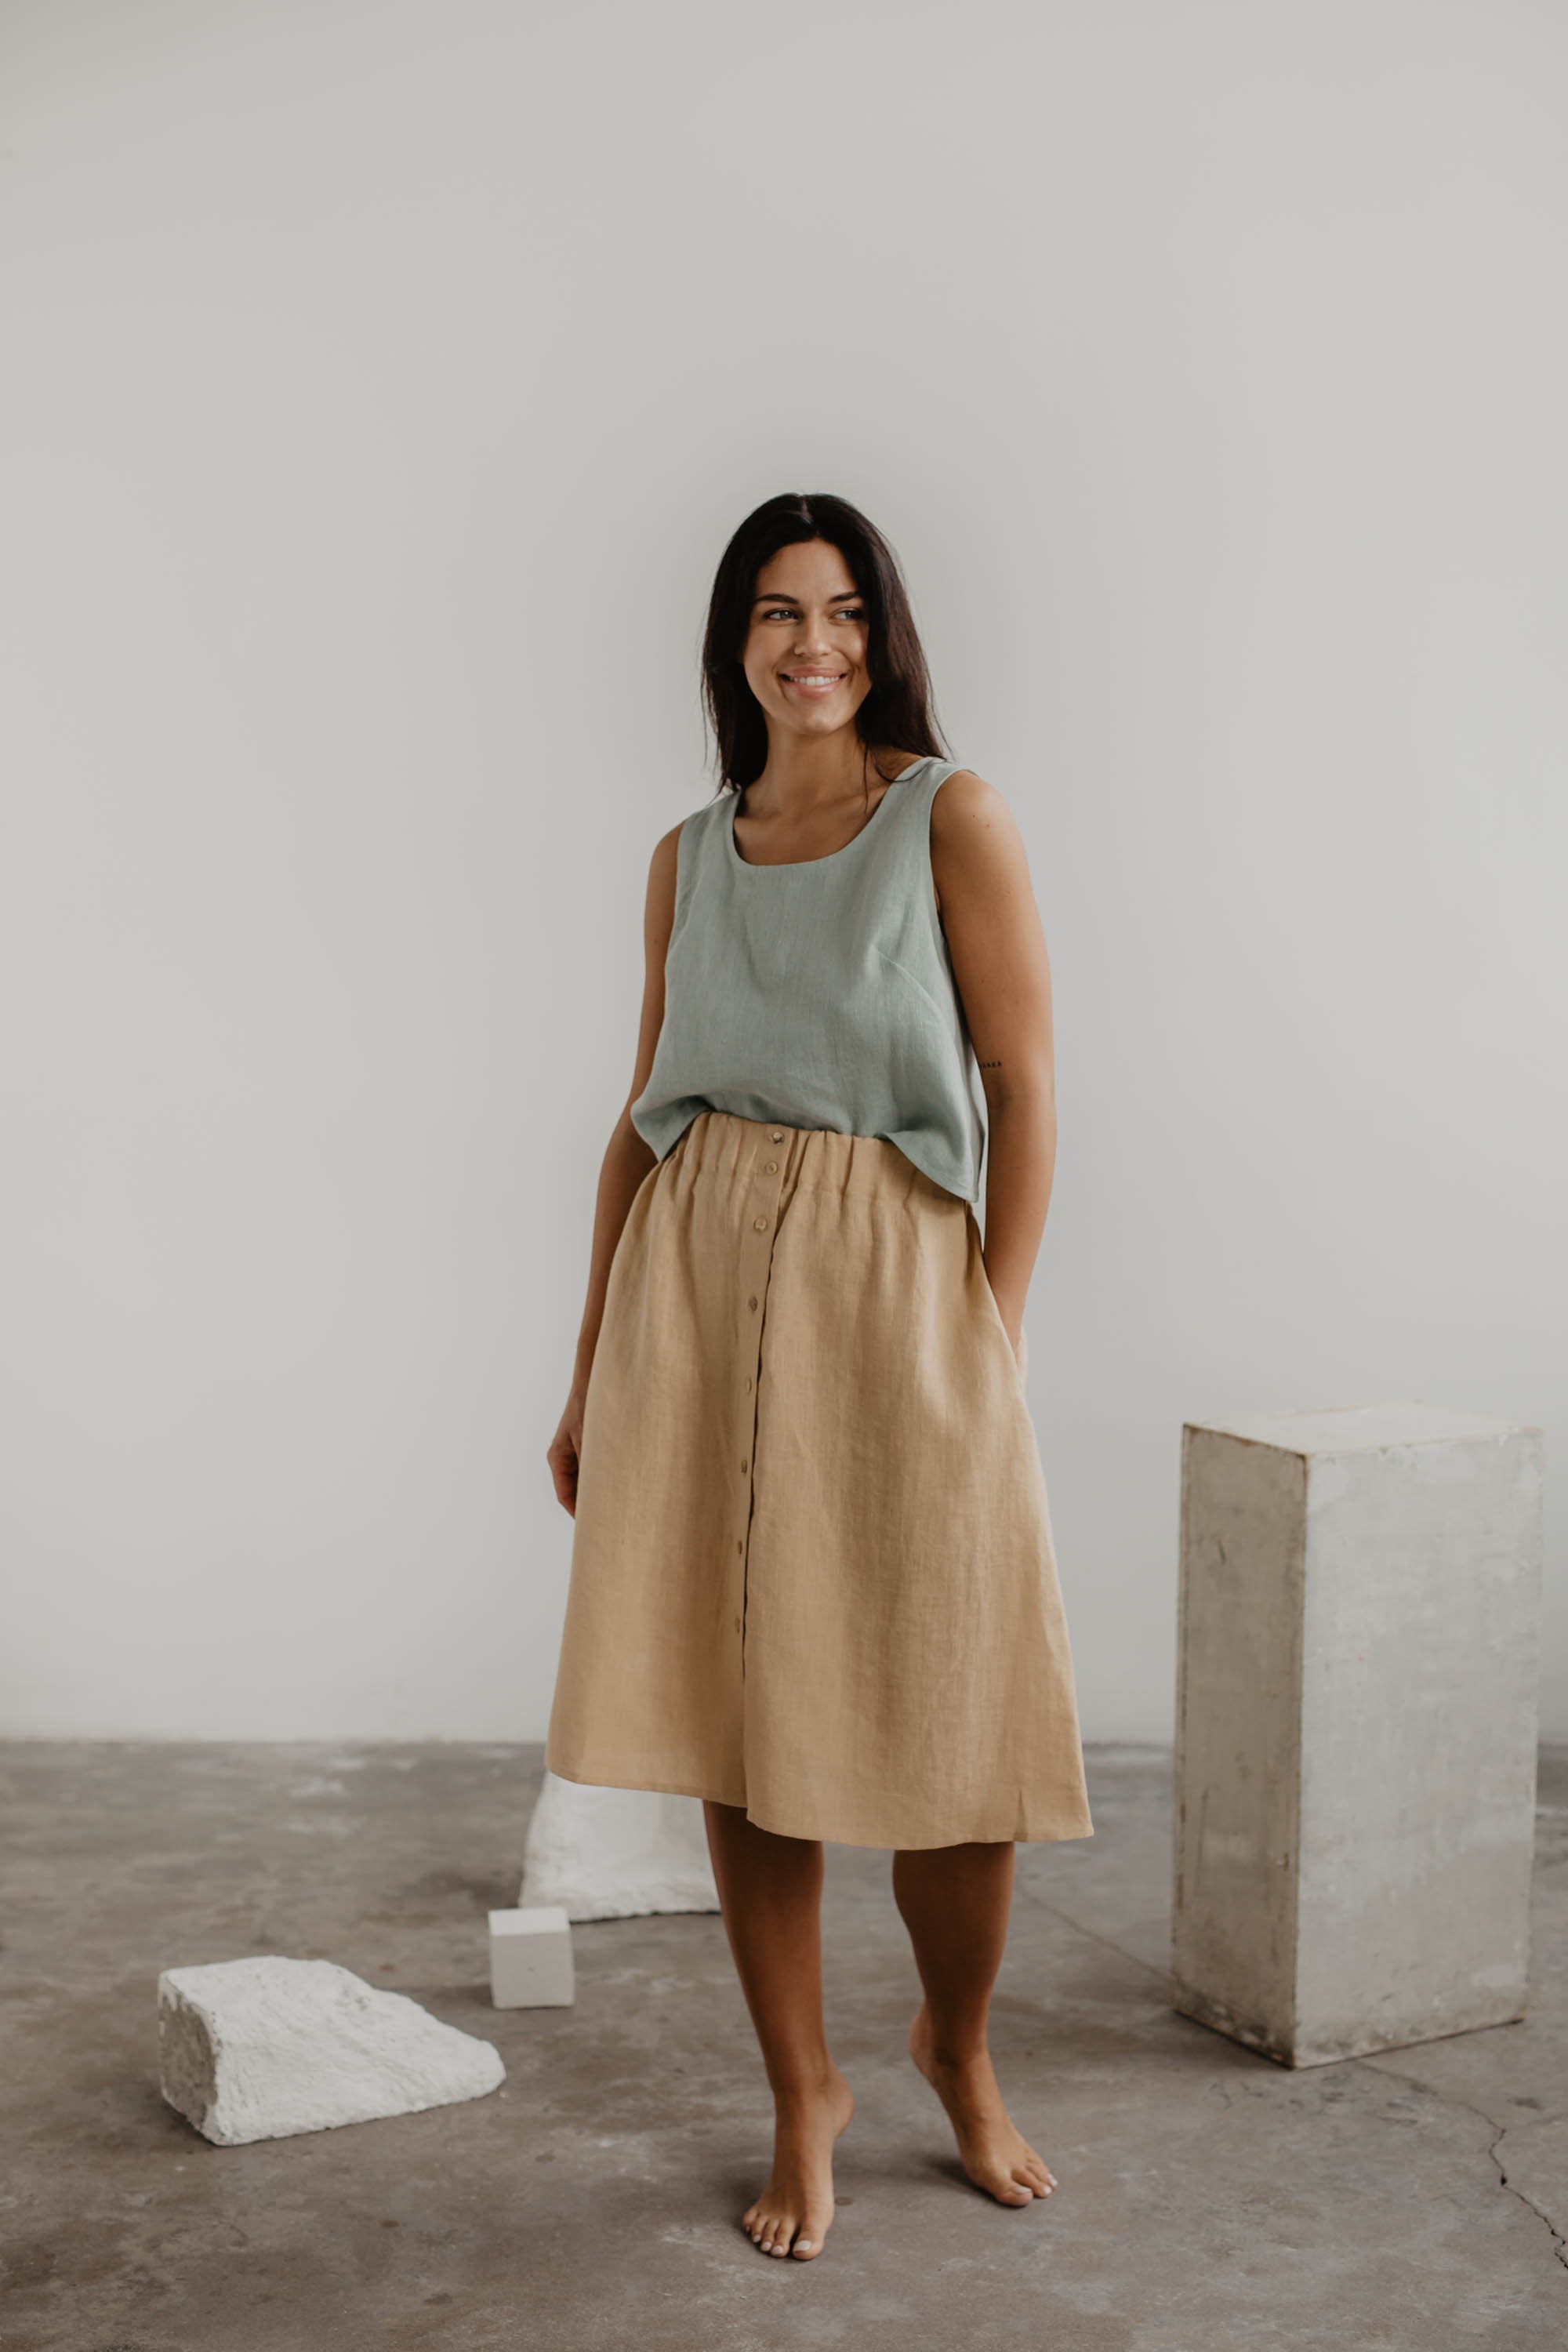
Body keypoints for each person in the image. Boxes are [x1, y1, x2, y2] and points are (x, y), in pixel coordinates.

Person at [544, 492, 1093, 2263]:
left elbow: (1024, 1098)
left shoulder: (953, 816)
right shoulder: (685, 856)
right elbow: (638, 1131)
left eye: (843, 611)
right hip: (694, 1299)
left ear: (884, 633)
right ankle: (805, 2092)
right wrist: (583, 1377)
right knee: (740, 1722)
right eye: (777, 613)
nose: (812, 645)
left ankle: (957, 2044)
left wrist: (988, 1343)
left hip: (896, 1294)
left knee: (953, 1714)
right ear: (733, 643)